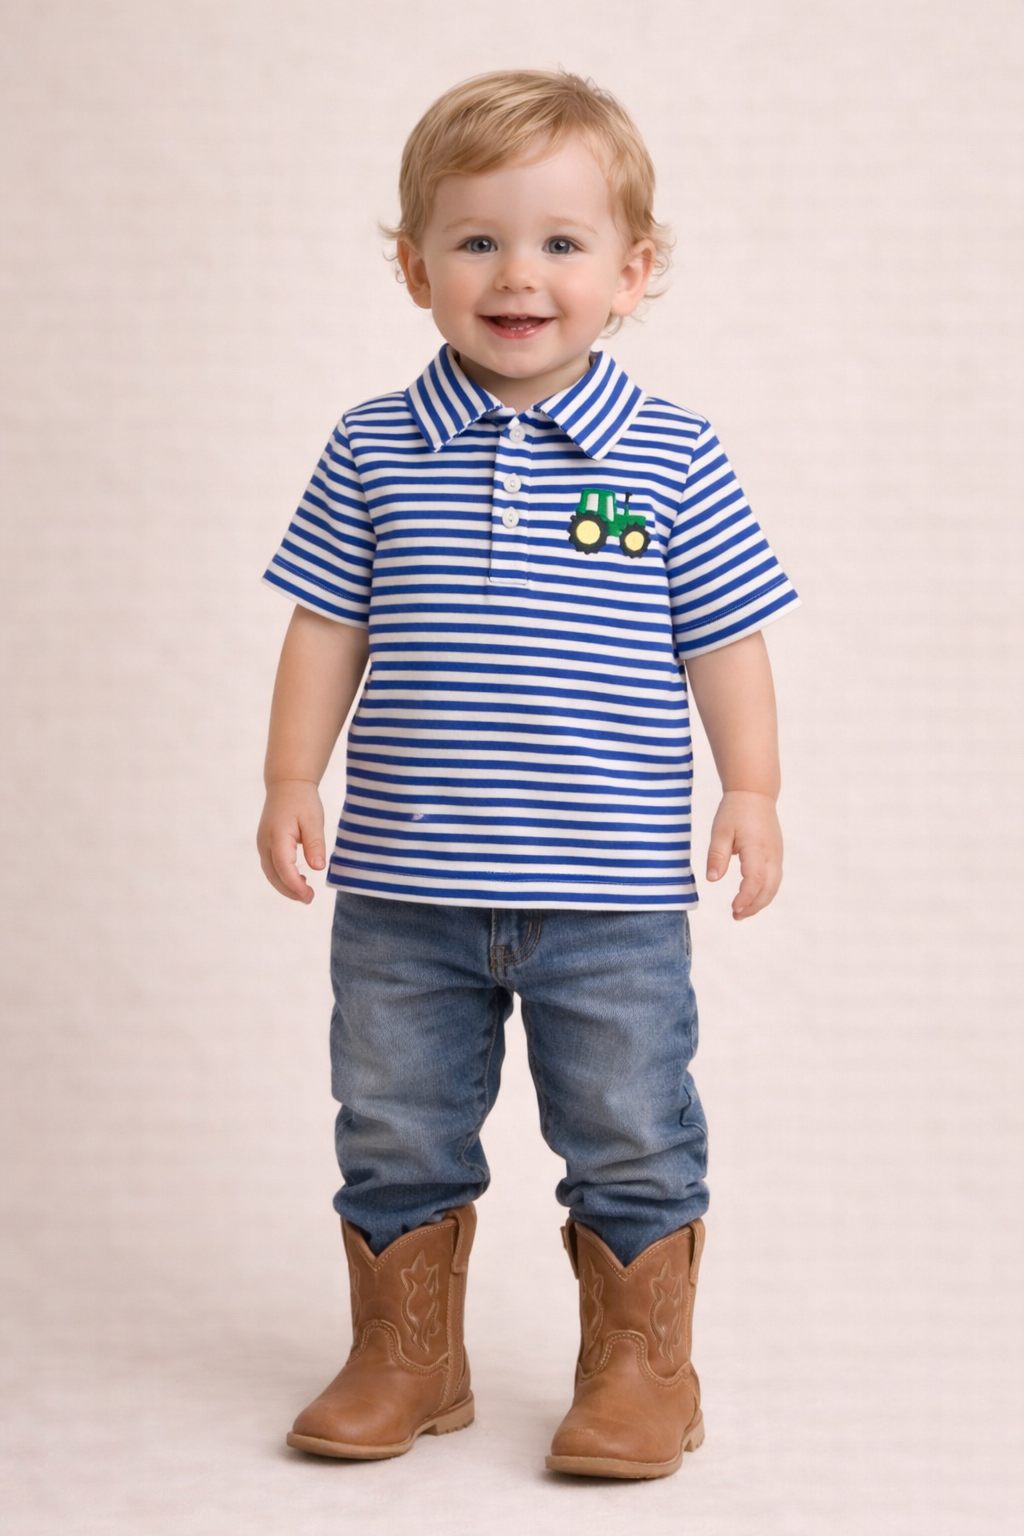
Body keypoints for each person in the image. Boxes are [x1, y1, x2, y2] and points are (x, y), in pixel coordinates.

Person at [257, 68, 799, 1480]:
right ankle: (407, 1353)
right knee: (392, 1125)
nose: (519, 275)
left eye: (562, 243)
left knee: (627, 1129)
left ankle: (640, 1368)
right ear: (415, 264)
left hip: (608, 895)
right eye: (479, 239)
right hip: (404, 888)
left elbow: (727, 638)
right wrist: (288, 777)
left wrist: (753, 791)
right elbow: (328, 623)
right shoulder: (374, 446)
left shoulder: (672, 457)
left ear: (635, 270)